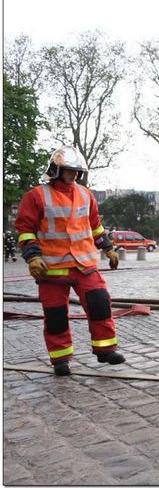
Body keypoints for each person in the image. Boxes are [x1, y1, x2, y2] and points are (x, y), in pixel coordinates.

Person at [14, 146, 126, 376]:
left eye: (77, 171)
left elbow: (95, 225)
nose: (74, 175)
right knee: (55, 316)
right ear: (56, 170)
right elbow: (25, 230)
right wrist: (33, 257)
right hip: (52, 268)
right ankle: (60, 359)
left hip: (84, 265)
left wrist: (108, 248)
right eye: (69, 170)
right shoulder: (36, 196)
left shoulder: (86, 194)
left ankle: (105, 350)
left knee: (100, 304)